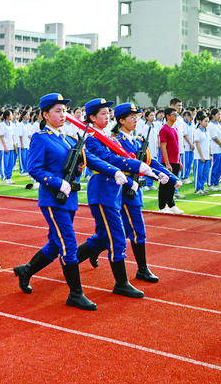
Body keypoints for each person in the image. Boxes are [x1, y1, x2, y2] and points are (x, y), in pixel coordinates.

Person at [14, 94, 133, 310]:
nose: (62, 114)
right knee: (68, 245)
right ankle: (75, 294)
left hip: (69, 199)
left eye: (64, 110)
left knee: (55, 243)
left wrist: (115, 171)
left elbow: (90, 159)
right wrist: (57, 183)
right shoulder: (41, 138)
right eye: (57, 111)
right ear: (45, 114)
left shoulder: (69, 139)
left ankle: (27, 270)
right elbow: (34, 168)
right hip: (53, 199)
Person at [73, 98, 155, 298]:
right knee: (118, 237)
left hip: (114, 192)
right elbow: (110, 160)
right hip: (103, 190)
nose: (108, 115)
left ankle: (64, 264)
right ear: (92, 117)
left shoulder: (104, 136)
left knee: (105, 237)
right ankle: (121, 283)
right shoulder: (92, 137)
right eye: (103, 113)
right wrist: (135, 168)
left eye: (108, 112)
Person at [88, 103, 177, 282]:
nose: (136, 120)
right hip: (124, 190)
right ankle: (142, 269)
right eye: (132, 118)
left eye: (137, 117)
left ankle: (91, 251)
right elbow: (115, 162)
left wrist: (171, 177)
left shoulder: (137, 141)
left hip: (134, 189)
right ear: (121, 121)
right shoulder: (115, 140)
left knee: (111, 235)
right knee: (136, 231)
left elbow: (150, 162)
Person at [158, 107, 184, 214]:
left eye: (176, 114)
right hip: (167, 161)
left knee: (173, 183)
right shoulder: (164, 129)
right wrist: (167, 163)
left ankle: (171, 204)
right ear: (167, 116)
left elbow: (177, 146)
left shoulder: (175, 128)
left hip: (175, 160)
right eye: (174, 114)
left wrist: (179, 161)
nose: (176, 116)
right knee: (165, 184)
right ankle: (162, 206)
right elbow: (163, 147)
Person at [193, 112, 212, 195]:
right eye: (205, 121)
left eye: (208, 121)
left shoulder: (207, 131)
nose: (207, 123)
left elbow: (209, 143)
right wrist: (201, 156)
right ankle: (198, 188)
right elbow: (197, 144)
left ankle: (202, 187)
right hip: (199, 156)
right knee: (199, 173)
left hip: (207, 155)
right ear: (200, 121)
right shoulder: (197, 131)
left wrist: (210, 154)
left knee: (205, 173)